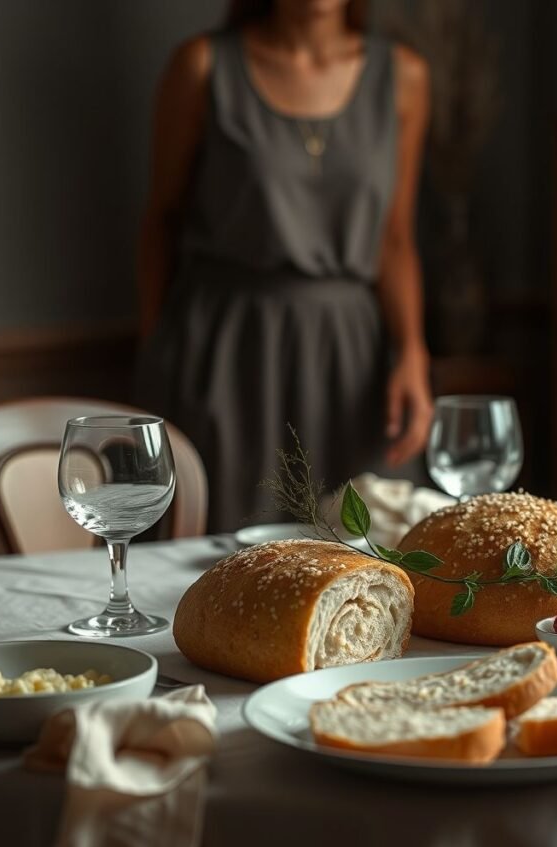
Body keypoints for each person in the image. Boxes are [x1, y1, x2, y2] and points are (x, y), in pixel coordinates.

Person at [136, 0, 434, 531]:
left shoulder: (404, 76)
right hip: (227, 349)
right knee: (214, 558)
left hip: (352, 358)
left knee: (361, 554)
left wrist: (412, 351)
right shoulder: (203, 66)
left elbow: (394, 237)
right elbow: (162, 220)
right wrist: (157, 357)